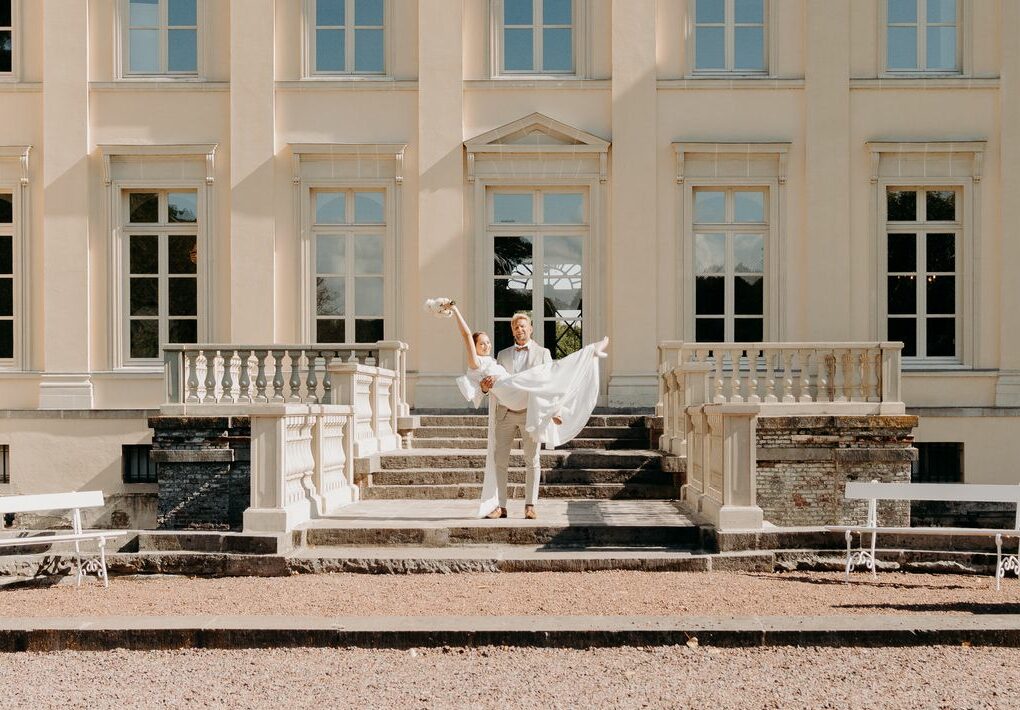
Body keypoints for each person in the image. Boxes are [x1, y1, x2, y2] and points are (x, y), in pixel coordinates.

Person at [432, 299, 607, 519]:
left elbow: (550, 383)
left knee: (532, 459)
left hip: (529, 412)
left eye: (523, 326)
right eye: (515, 327)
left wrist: (556, 410)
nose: (519, 330)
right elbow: (491, 383)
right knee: (500, 460)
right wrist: (485, 390)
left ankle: (530, 505)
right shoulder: (502, 355)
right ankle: (501, 506)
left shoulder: (543, 353)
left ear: (530, 328)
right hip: (505, 412)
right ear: (512, 331)